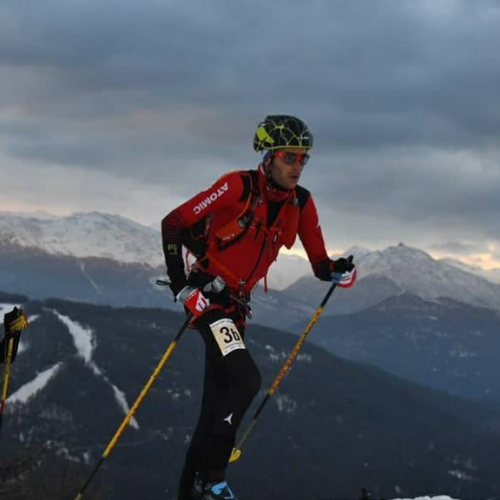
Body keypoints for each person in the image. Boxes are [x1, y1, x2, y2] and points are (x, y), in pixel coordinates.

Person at [161, 115, 357, 500]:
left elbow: (319, 265)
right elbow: (173, 222)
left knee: (213, 410)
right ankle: (213, 479)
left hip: (235, 307)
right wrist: (181, 288)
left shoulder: (300, 203)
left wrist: (337, 271)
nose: (297, 166)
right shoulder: (236, 186)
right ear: (267, 157)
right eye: (289, 157)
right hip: (206, 297)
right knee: (246, 379)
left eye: (304, 159)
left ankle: (191, 491)